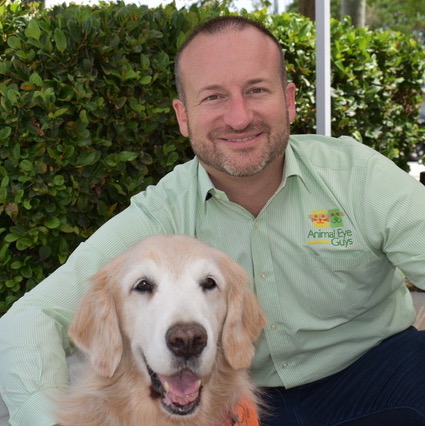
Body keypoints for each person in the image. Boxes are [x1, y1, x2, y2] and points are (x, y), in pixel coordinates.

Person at [1, 15, 425, 426]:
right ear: (183, 116)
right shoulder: (162, 213)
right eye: (214, 97)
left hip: (377, 372)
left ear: (290, 100)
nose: (239, 117)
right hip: (234, 399)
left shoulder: (359, 179)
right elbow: (33, 314)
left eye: (257, 90)